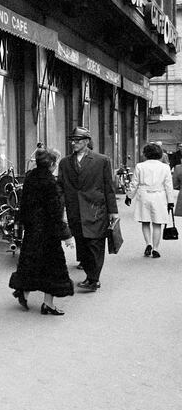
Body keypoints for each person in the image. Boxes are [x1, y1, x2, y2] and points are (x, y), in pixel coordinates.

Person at [9, 148, 75, 315]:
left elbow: (24, 205)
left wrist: (24, 225)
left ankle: (23, 292)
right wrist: (66, 235)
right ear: (52, 164)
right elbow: (55, 212)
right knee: (53, 268)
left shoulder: (30, 177)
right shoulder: (51, 184)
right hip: (48, 233)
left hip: (32, 230)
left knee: (29, 262)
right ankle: (48, 304)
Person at [56, 127, 118, 292]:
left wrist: (113, 211)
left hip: (96, 208)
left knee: (95, 243)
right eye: (72, 140)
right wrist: (59, 210)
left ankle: (94, 279)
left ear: (86, 141)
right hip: (75, 209)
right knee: (82, 242)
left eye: (77, 140)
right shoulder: (65, 162)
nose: (74, 143)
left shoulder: (102, 160)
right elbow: (60, 188)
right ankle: (90, 275)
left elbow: (108, 187)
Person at [125, 143, 174, 259]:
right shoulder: (165, 167)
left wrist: (129, 196)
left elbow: (134, 183)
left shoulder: (140, 166)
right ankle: (156, 249)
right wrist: (170, 201)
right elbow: (168, 185)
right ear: (160, 154)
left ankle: (148, 244)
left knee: (145, 221)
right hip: (159, 196)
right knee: (157, 223)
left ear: (145, 154)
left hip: (144, 196)